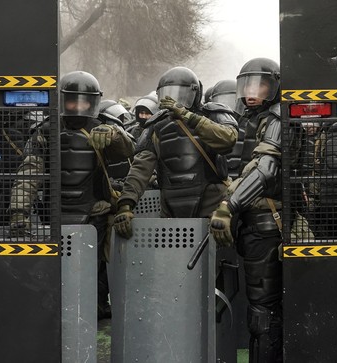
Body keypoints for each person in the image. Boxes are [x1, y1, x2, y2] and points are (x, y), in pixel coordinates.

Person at [8, 71, 135, 320]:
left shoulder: (105, 129)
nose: (78, 106)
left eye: (84, 101)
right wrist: (18, 212)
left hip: (95, 212)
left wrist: (114, 134)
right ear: (62, 100)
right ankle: (57, 311)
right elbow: (28, 175)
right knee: (57, 269)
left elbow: (130, 150)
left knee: (95, 267)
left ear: (93, 102)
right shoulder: (45, 132)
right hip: (56, 214)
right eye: (72, 101)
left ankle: (95, 308)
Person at [209, 57, 287, 363]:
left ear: (275, 87)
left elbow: (265, 170)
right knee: (263, 309)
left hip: (268, 225)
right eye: (248, 85)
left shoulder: (277, 118)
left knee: (263, 312)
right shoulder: (251, 119)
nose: (252, 92)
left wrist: (229, 205)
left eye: (261, 84)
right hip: (255, 224)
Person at [113, 66, 238, 238]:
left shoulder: (212, 114)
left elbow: (227, 139)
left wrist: (189, 117)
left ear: (195, 93)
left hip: (212, 207)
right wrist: (126, 204)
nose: (174, 99)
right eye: (168, 94)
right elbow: (140, 168)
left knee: (217, 260)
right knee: (171, 261)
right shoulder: (156, 126)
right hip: (171, 210)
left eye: (181, 94)